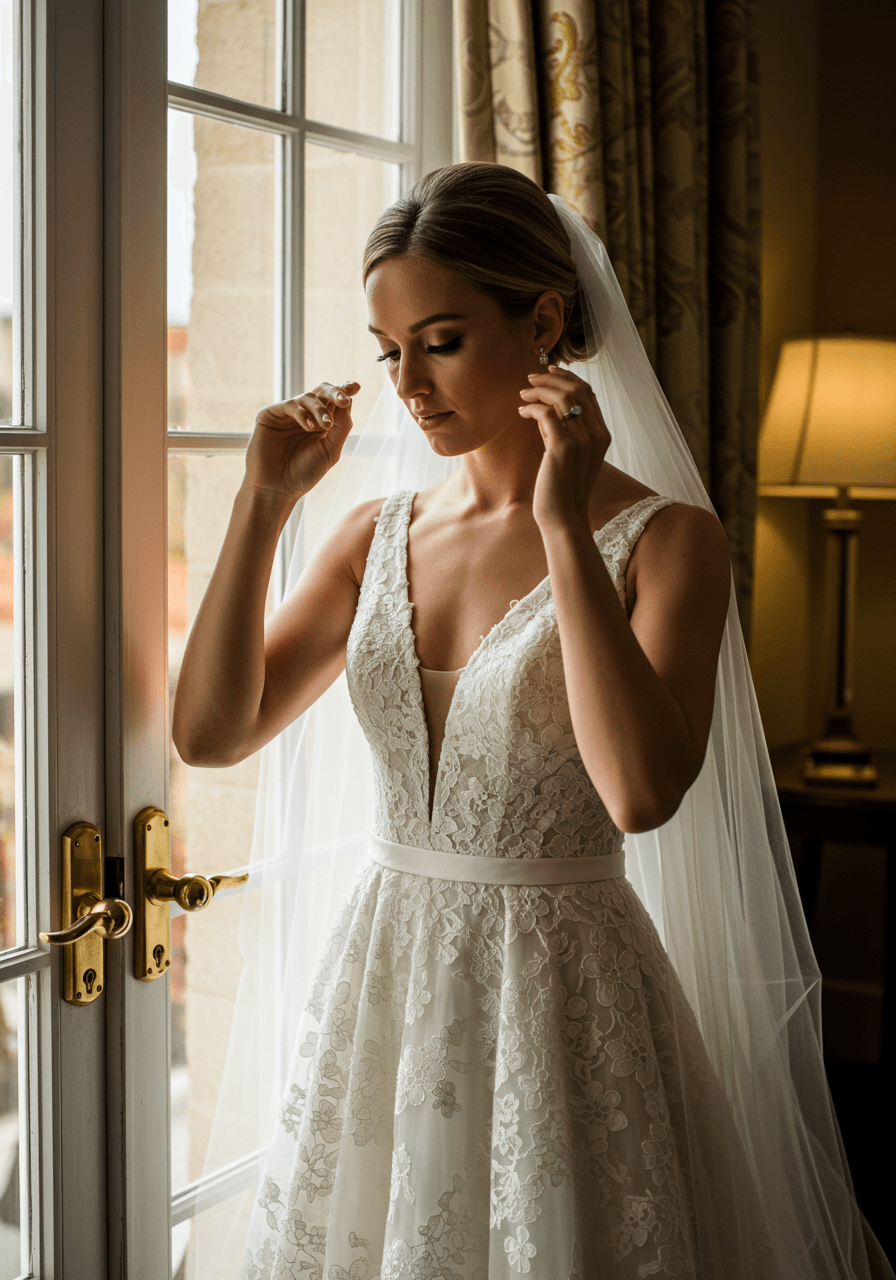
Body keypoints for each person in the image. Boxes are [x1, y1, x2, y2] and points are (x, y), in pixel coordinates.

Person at [175, 163, 891, 1280]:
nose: (409, 385)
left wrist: (563, 526)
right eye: (388, 351)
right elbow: (211, 734)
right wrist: (262, 504)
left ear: (544, 323)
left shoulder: (669, 541)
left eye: (441, 341)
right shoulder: (373, 535)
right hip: (388, 977)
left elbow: (639, 794)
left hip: (563, 996)